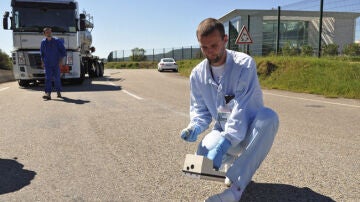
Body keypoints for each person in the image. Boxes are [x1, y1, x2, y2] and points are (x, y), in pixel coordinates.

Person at [180, 18, 279, 202]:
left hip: (251, 130)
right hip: (222, 129)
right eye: (204, 47)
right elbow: (200, 110)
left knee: (270, 118)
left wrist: (225, 142)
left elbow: (241, 109)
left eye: (214, 45)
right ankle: (233, 165)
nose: (210, 52)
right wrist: (194, 127)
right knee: (201, 157)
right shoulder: (197, 74)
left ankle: (235, 190)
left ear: (225, 40)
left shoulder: (244, 65)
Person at [40, 27, 66, 100]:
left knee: (57, 78)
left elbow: (63, 51)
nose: (48, 33)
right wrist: (42, 62)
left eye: (49, 32)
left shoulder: (57, 41)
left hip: (56, 63)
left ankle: (58, 91)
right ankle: (48, 93)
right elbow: (42, 53)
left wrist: (60, 61)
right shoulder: (43, 42)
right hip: (47, 63)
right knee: (48, 78)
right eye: (47, 32)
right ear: (44, 34)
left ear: (51, 32)